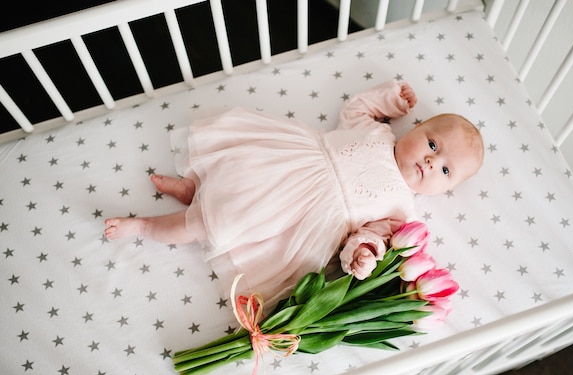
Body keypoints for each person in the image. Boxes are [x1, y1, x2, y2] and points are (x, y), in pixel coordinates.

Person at [104, 80, 483, 305]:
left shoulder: (402, 211)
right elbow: (359, 107)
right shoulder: (377, 131)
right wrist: (392, 98)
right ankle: (192, 190)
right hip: (288, 164)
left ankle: (145, 227)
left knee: (217, 222)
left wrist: (363, 255)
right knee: (230, 179)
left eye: (445, 170)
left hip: (301, 214)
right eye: (433, 144)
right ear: (414, 129)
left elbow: (371, 236)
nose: (432, 162)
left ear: (444, 189)